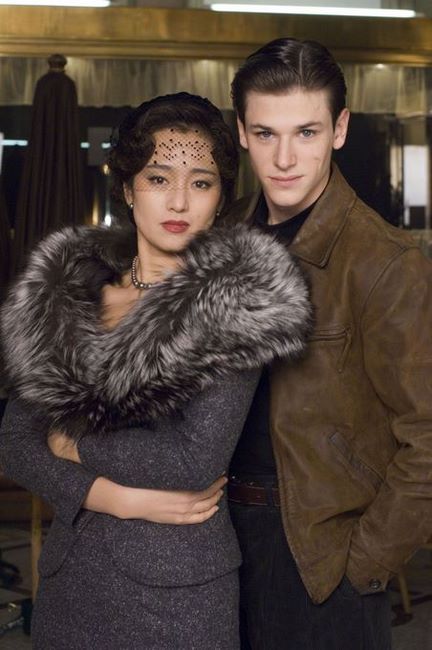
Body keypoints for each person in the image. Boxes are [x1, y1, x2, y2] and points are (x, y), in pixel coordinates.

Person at [0, 91, 312, 649]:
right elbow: (16, 443)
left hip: (177, 595)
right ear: (127, 188)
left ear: (221, 198)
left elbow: (191, 461)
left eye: (201, 182)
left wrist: (73, 443)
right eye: (158, 178)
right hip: (72, 582)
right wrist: (115, 497)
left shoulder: (234, 307)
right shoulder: (71, 294)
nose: (179, 200)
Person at [225, 38, 432, 650]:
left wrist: (362, 565)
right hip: (214, 543)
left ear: (339, 129)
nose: (285, 158)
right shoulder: (221, 237)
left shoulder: (385, 261)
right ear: (241, 133)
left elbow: (427, 436)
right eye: (266, 133)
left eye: (307, 132)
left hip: (321, 556)